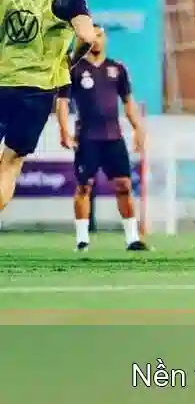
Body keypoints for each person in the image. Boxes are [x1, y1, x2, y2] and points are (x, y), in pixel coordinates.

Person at [0, 0, 98, 213]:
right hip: (37, 90)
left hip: (2, 81)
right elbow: (87, 36)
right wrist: (70, 62)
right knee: (10, 164)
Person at [56, 26, 148, 251]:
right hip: (87, 138)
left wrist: (138, 128)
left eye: (99, 35)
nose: (95, 40)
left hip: (113, 137)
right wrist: (64, 130)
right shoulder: (74, 69)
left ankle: (132, 238)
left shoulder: (117, 69)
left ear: (105, 39)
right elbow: (63, 102)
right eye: (91, 36)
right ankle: (82, 240)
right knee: (84, 186)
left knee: (124, 185)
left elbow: (128, 102)